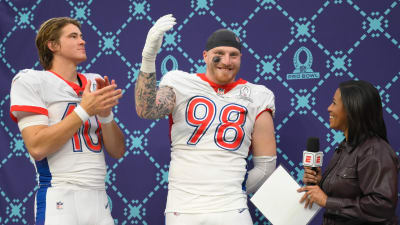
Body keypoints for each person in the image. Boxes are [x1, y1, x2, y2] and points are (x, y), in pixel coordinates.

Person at [135, 14, 277, 225]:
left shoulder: (258, 95)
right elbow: (146, 110)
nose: (226, 61)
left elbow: (266, 166)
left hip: (231, 208)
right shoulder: (180, 82)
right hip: (183, 209)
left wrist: (232, 194)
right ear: (205, 56)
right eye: (219, 54)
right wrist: (148, 57)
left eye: (234, 55)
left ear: (241, 58)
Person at [9, 17, 125, 225]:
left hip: (99, 198)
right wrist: (84, 110)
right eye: (73, 36)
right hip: (60, 198)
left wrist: (106, 114)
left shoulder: (93, 82)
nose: (82, 41)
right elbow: (37, 146)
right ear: (52, 45)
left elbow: (117, 151)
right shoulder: (31, 81)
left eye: (81, 36)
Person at [298, 80, 399, 224]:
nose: (328, 108)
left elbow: (382, 207)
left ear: (352, 109)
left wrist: (327, 201)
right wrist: (322, 183)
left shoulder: (375, 150)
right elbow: (347, 191)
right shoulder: (345, 147)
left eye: (334, 103)